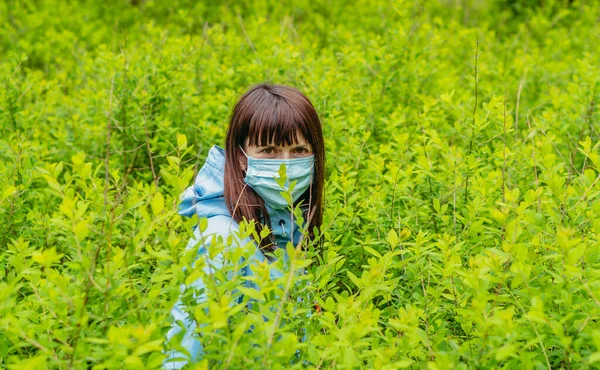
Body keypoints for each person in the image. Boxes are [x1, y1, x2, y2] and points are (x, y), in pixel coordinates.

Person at [163, 83, 325, 368]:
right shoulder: (222, 242)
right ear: (241, 157)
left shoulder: (287, 227)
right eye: (269, 151)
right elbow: (184, 357)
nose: (286, 166)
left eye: (299, 150)